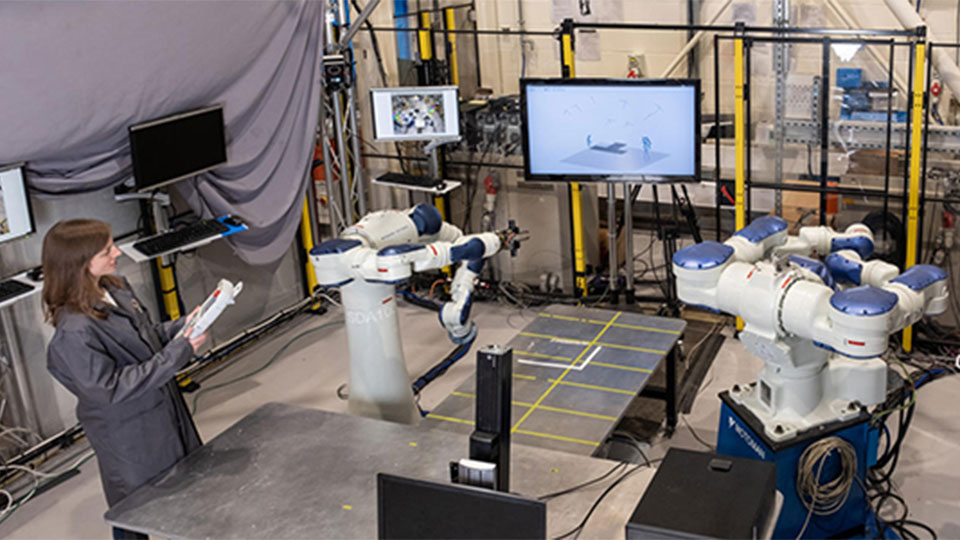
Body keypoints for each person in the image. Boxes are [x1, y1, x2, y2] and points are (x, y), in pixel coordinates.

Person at [42, 219, 206, 540]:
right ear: (82, 263)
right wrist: (178, 354)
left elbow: (146, 337)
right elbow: (110, 387)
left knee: (190, 490)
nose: (117, 252)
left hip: (163, 410)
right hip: (130, 434)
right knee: (134, 510)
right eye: (107, 250)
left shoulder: (115, 288)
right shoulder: (75, 331)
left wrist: (182, 327)